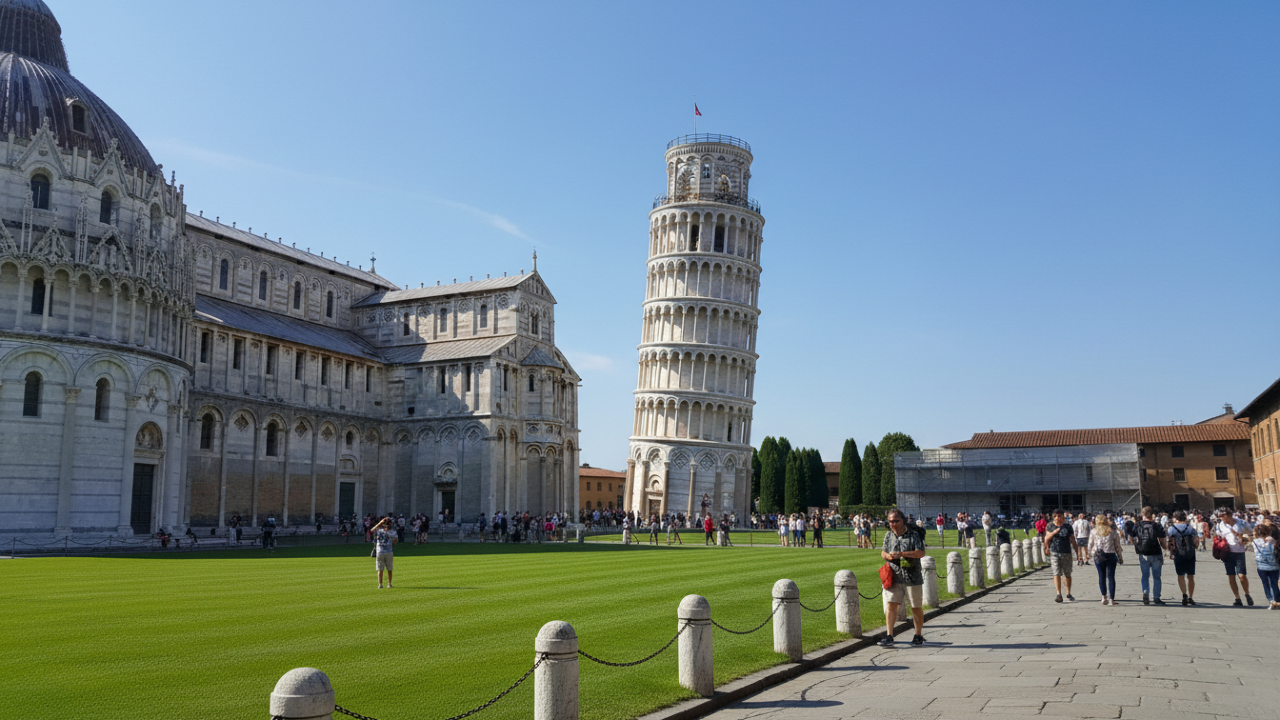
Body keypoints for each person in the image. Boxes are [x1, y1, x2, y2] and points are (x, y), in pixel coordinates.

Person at [878, 509, 927, 647]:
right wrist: (888, 556)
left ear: (903, 520)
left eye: (896, 521)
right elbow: (883, 552)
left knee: (916, 606)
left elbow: (921, 553)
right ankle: (889, 635)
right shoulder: (889, 535)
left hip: (912, 576)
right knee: (891, 605)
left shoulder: (913, 534)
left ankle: (918, 635)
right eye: (890, 521)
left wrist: (902, 554)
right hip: (894, 576)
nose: (893, 524)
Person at [1215, 509, 1254, 607]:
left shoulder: (1241, 523)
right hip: (1227, 553)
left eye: (1222, 516)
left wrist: (1244, 539)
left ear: (1228, 515)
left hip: (1239, 552)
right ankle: (1237, 598)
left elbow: (1251, 533)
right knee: (1231, 576)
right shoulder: (1221, 525)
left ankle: (1247, 594)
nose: (1220, 518)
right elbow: (1218, 536)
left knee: (1242, 575)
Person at [1133, 506, 1168, 605]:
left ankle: (1145, 592)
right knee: (1156, 576)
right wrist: (1166, 548)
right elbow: (1162, 541)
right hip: (1156, 552)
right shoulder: (1157, 525)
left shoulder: (1137, 525)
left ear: (1142, 514)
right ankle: (1156, 597)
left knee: (1145, 575)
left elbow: (1131, 537)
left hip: (1143, 553)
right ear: (1152, 514)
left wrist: (1137, 544)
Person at [1043, 509, 1078, 602]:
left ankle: (1068, 592)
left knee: (1067, 573)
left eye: (1059, 516)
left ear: (1063, 517)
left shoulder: (1068, 526)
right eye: (1056, 516)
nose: (1057, 518)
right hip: (1054, 551)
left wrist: (1078, 553)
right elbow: (1046, 538)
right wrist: (1054, 533)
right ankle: (1058, 594)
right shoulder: (1050, 526)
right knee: (1056, 572)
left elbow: (1072, 540)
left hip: (1066, 551)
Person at [1088, 514, 1123, 605]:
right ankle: (1112, 599)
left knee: (1101, 576)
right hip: (1110, 555)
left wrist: (1088, 554)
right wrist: (1120, 557)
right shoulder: (1112, 531)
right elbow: (1117, 546)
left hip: (1098, 555)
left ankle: (1104, 597)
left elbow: (1090, 544)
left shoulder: (1094, 531)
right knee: (1111, 577)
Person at [1167, 510, 1198, 605]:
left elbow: (1170, 542)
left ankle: (1184, 594)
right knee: (1190, 576)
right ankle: (1190, 597)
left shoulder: (1171, 529)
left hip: (1178, 554)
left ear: (1176, 518)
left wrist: (1170, 551)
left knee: (1180, 575)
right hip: (1190, 554)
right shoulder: (1190, 528)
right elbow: (1196, 543)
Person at [1250, 523, 1280, 610]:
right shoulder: (1273, 540)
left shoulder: (1254, 541)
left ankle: (1271, 601)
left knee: (1265, 584)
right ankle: (1276, 599)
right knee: (1274, 583)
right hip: (1274, 566)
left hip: (1261, 567)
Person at [371, 516, 397, 588]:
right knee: (389, 569)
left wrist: (379, 523)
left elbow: (372, 530)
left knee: (380, 569)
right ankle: (389, 584)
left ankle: (380, 584)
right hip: (388, 551)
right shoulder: (392, 531)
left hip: (380, 551)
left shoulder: (379, 531)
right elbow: (396, 540)